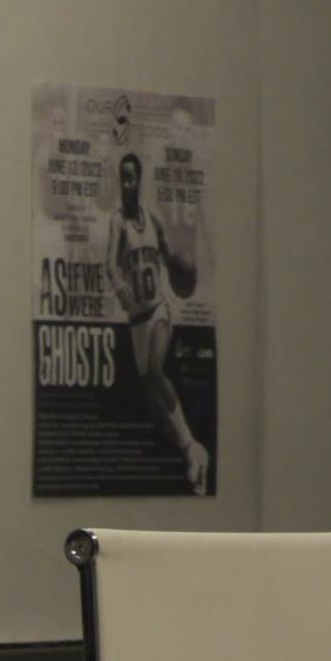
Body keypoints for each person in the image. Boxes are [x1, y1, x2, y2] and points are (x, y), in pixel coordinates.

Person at [107, 148, 210, 495]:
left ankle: (193, 451)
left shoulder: (153, 220)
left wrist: (185, 270)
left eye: (131, 177)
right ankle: (192, 454)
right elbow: (110, 263)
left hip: (158, 310)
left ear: (140, 181)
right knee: (152, 395)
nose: (126, 183)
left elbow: (170, 254)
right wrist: (117, 282)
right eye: (122, 177)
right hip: (135, 318)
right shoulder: (117, 221)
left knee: (155, 371)